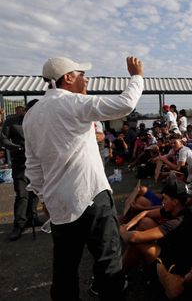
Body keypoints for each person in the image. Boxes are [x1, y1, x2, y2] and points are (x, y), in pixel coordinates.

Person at [23, 56, 144, 301]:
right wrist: (137, 76)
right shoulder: (75, 103)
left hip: (58, 205)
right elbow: (125, 104)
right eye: (81, 74)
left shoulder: (31, 116)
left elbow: (33, 166)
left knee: (65, 269)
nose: (86, 79)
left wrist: (44, 196)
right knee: (108, 263)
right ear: (67, 78)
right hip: (91, 196)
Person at [2, 101, 43, 241]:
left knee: (35, 192)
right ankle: (19, 224)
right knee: (22, 194)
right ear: (26, 110)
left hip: (37, 163)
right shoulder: (11, 121)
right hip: (20, 163)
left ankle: (33, 217)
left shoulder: (41, 121)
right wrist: (16, 147)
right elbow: (3, 139)